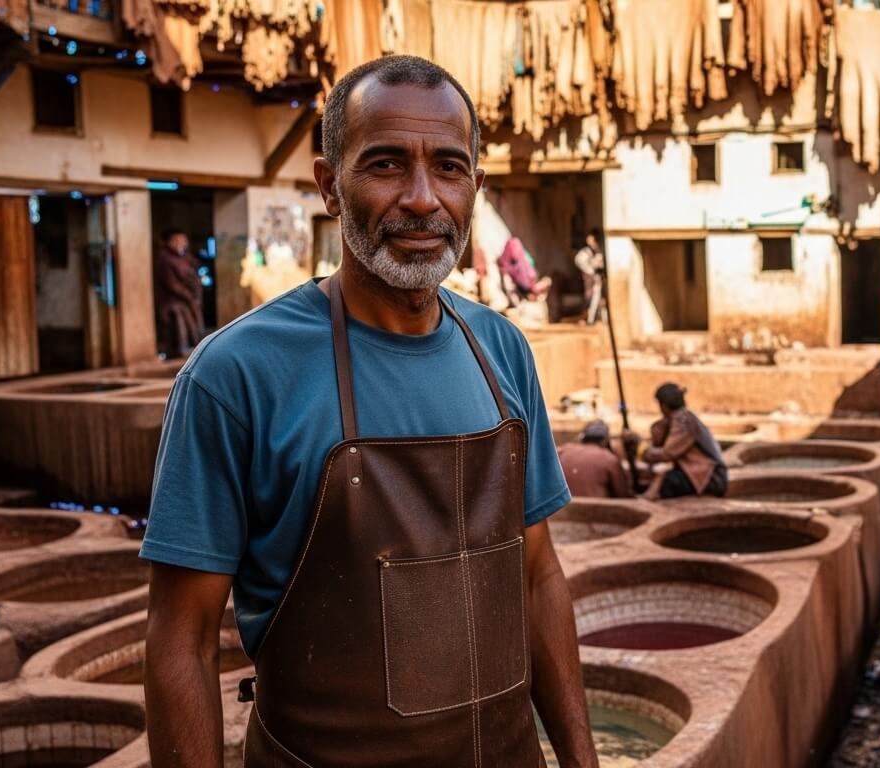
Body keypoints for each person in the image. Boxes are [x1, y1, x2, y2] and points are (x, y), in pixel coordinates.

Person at [140, 56, 598, 768]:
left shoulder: (501, 350)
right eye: (385, 165)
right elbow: (182, 640)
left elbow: (538, 577)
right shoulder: (236, 377)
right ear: (329, 184)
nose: (422, 199)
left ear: (474, 189)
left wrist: (580, 760)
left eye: (448, 168)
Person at [624, 383, 727, 500]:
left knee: (666, 481)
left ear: (663, 406)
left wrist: (639, 444)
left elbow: (667, 454)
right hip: (705, 475)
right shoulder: (679, 419)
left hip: (711, 478)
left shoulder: (683, 421)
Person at [153, 228, 205, 358]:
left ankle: (195, 351)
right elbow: (172, 284)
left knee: (195, 326)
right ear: (169, 242)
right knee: (179, 327)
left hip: (188, 299)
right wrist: (188, 295)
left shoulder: (184, 256)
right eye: (176, 240)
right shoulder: (164, 259)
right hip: (173, 301)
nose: (180, 243)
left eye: (182, 240)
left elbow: (195, 268)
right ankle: (177, 353)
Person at [557, 420, 633, 498]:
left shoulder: (564, 451)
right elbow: (623, 495)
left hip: (565, 508)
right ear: (605, 441)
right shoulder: (608, 458)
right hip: (596, 509)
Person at [498, 235, 553, 305]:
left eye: (543, 289)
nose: (542, 286)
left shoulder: (526, 284)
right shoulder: (532, 277)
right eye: (543, 287)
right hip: (514, 258)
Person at [573, 228, 606, 325]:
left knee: (597, 298)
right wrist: (591, 272)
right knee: (590, 298)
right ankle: (589, 319)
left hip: (597, 278)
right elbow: (579, 261)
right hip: (590, 278)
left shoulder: (599, 251)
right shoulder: (585, 252)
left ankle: (593, 320)